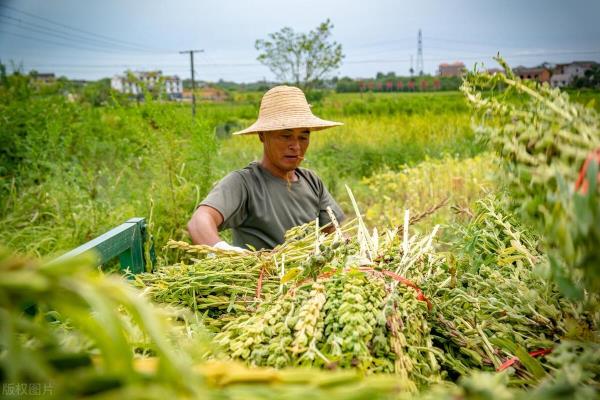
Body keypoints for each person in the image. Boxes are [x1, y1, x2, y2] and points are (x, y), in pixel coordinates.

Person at [187, 85, 345, 252]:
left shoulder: (312, 182)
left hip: (309, 277)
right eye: (286, 136)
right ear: (262, 135)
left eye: (303, 137)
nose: (296, 146)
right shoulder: (245, 183)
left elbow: (332, 232)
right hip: (263, 275)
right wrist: (222, 251)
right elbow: (199, 221)